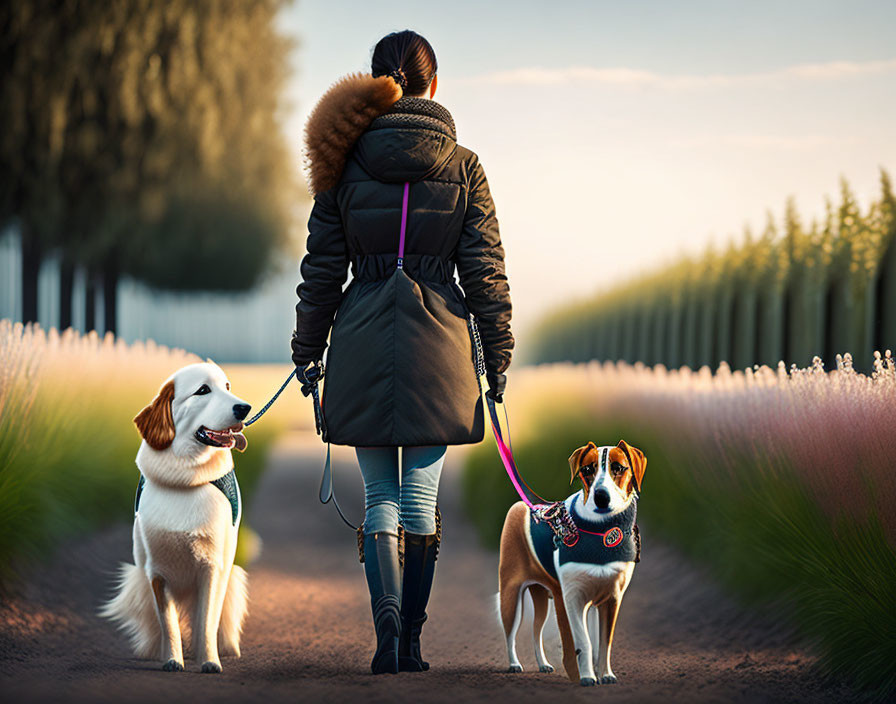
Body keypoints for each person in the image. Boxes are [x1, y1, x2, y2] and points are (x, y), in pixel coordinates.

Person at [292, 29, 513, 675]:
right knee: (421, 497)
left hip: (360, 339)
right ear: (433, 84)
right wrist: (496, 357)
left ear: (376, 82)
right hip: (440, 348)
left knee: (379, 493)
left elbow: (322, 270)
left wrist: (308, 351)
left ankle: (384, 629)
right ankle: (411, 641)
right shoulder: (466, 165)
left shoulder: (342, 162)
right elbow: (487, 273)